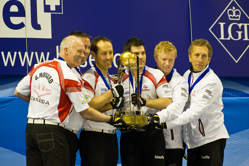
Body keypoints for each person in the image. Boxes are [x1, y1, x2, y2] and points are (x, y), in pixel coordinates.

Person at [14, 35, 125, 166]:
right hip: (54, 132)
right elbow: (85, 111)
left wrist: (42, 104)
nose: (83, 56)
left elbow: (19, 92)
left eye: (84, 52)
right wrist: (111, 120)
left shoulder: (39, 66)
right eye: (79, 51)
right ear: (66, 50)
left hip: (31, 130)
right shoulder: (69, 75)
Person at [162, 39, 230, 166]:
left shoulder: (212, 82)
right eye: (196, 55)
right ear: (189, 57)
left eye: (204, 56)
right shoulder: (187, 75)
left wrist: (164, 124)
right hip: (193, 143)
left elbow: (194, 112)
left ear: (209, 59)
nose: (200, 59)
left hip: (211, 140)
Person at [120, 37, 173, 166]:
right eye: (136, 54)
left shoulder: (156, 74)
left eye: (143, 53)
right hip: (129, 135)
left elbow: (167, 102)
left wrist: (145, 102)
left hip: (152, 133)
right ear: (128, 56)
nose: (141, 57)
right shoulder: (121, 78)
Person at [79, 36, 124, 166]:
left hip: (112, 136)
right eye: (104, 53)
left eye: (110, 52)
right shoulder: (88, 77)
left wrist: (113, 106)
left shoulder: (111, 79)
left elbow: (105, 106)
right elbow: (88, 106)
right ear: (93, 55)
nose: (109, 57)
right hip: (94, 138)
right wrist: (111, 93)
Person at [154, 41, 189, 166]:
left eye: (171, 59)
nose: (167, 63)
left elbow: (177, 108)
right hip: (151, 140)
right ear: (156, 58)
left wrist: (156, 119)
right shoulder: (148, 78)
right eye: (164, 59)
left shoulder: (180, 82)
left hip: (173, 142)